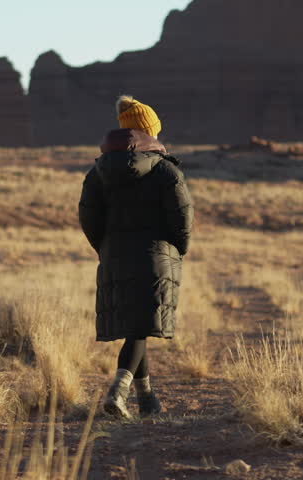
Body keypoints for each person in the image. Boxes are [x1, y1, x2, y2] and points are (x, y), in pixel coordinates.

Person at [78, 95, 193, 418]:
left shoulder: (98, 171)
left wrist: (104, 246)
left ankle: (147, 399)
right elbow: (182, 217)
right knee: (139, 327)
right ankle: (119, 391)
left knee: (136, 324)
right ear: (148, 132)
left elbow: (87, 215)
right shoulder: (165, 171)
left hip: (114, 254)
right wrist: (176, 249)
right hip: (155, 254)